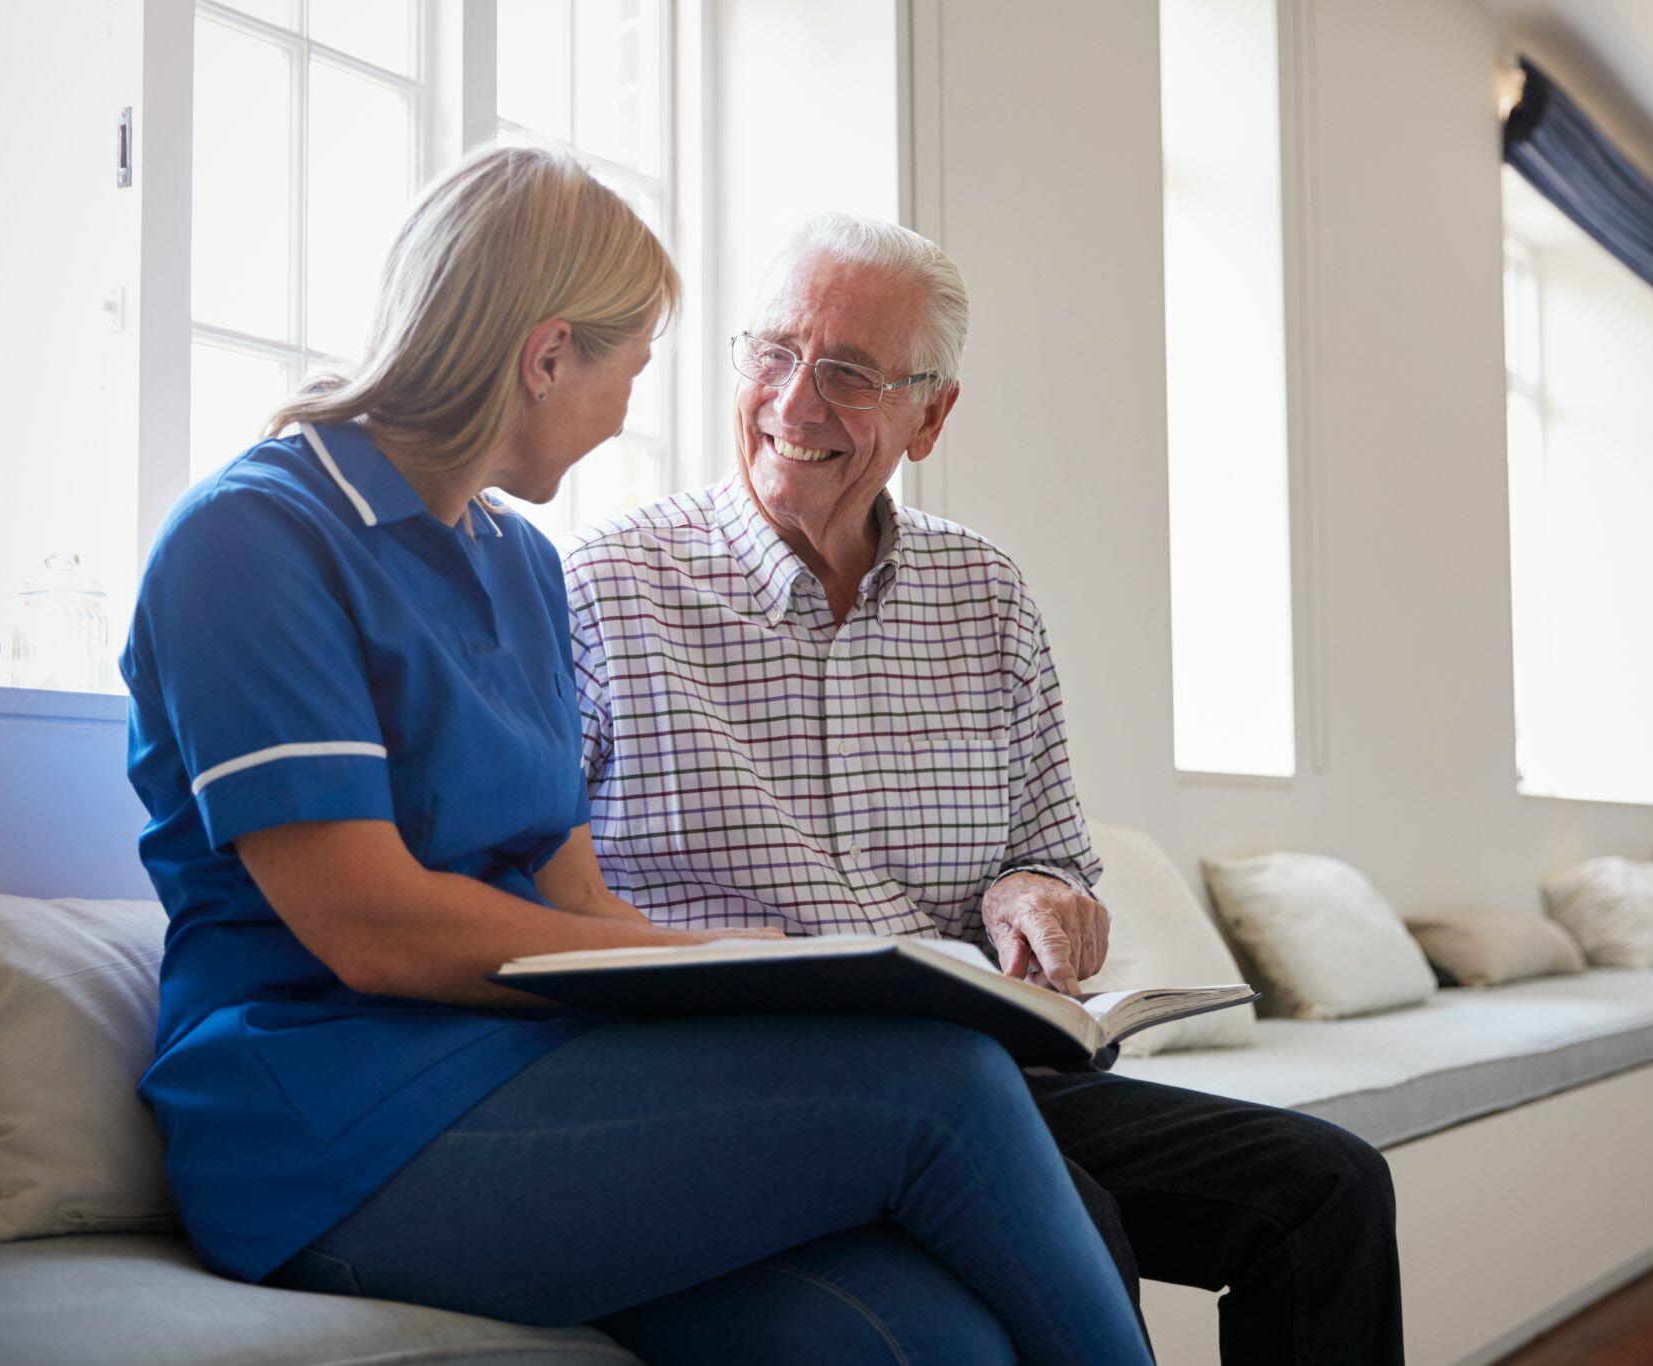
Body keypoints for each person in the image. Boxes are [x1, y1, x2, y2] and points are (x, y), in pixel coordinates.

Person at [120, 145, 1151, 1366]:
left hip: (527, 1078)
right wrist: (732, 953)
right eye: (633, 366)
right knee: (944, 1086)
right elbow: (375, 929)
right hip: (325, 1122)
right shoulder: (254, 538)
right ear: (548, 355)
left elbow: (575, 903)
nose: (628, 414)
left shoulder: (516, 564)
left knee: (925, 1343)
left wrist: (788, 973)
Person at [563, 212, 1408, 1364]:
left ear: (932, 412)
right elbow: (535, 888)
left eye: (850, 373)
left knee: (1327, 1190)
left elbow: (1050, 852)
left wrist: (1035, 897)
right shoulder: (608, 585)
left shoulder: (986, 597)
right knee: (1084, 1223)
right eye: (770, 350)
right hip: (765, 1091)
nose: (794, 402)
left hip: (982, 1072)